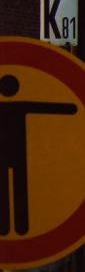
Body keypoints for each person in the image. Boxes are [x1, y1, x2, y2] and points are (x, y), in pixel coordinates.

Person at [0, 74, 77, 235]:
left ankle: (5, 227)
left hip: (3, 155)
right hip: (20, 154)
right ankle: (22, 227)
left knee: (4, 190)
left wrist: (72, 108)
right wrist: (73, 108)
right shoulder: (21, 105)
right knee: (20, 188)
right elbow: (49, 107)